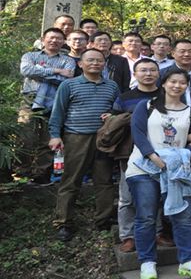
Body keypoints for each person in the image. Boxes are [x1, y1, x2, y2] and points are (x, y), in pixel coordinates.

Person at [126, 69, 191, 279]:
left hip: (176, 171)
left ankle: (188, 261)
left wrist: (182, 157)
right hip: (143, 168)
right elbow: (138, 134)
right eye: (172, 81)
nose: (177, 86)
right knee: (146, 217)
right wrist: (153, 157)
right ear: (163, 83)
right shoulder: (146, 106)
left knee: (183, 217)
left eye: (182, 82)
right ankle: (147, 262)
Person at [48, 49, 120, 241]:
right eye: (90, 60)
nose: (95, 63)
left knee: (104, 180)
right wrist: (55, 135)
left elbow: (118, 109)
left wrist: (113, 115)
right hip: (76, 138)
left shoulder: (112, 85)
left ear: (104, 64)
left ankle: (103, 219)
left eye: (99, 60)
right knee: (71, 180)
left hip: (104, 139)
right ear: (80, 64)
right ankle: (63, 222)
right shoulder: (68, 85)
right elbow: (58, 112)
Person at [110, 59, 165, 253]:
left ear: (158, 73)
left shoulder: (166, 95)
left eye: (152, 70)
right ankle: (128, 236)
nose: (148, 74)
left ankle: (157, 232)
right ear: (135, 74)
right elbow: (113, 123)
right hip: (129, 152)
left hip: (161, 152)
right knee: (126, 197)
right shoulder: (125, 97)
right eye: (143, 70)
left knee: (158, 194)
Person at [18, 27, 75, 184]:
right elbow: (26, 70)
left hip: (54, 99)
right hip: (29, 98)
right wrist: (56, 70)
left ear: (63, 42)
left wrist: (40, 70)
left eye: (58, 38)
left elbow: (66, 80)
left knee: (48, 138)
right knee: (25, 135)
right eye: (51, 37)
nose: (54, 41)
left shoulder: (68, 60)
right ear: (43, 40)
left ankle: (41, 174)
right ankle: (22, 172)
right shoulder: (30, 55)